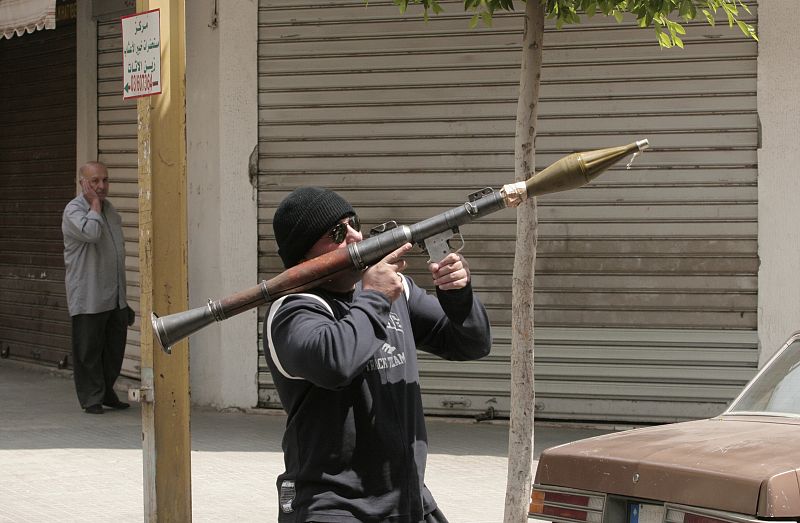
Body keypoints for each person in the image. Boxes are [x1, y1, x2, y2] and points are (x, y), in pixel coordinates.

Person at [264, 187, 492, 522]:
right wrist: (374, 297)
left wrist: (457, 293)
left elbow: (471, 343)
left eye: (353, 223)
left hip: (407, 502)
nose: (356, 235)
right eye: (338, 233)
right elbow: (336, 364)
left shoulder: (393, 291)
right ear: (304, 257)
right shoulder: (293, 311)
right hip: (334, 509)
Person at [61, 161, 133, 414]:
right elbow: (91, 233)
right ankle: (91, 398)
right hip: (89, 295)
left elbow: (117, 254)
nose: (101, 186)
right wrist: (94, 205)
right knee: (89, 350)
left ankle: (106, 391)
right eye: (94, 181)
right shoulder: (74, 211)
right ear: (82, 183)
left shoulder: (111, 211)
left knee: (113, 349)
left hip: (114, 295)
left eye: (105, 180)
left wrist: (124, 297)